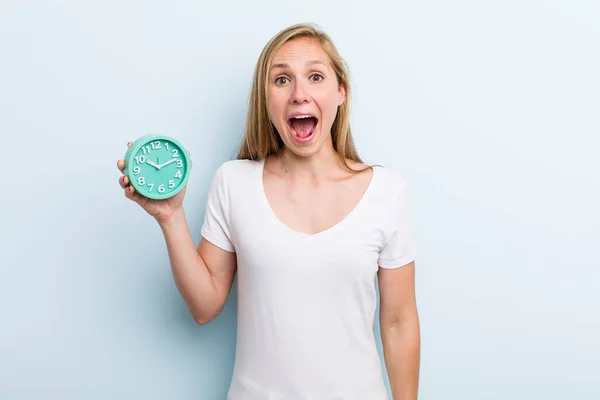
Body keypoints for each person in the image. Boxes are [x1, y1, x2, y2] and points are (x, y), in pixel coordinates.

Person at [117, 23, 420, 400]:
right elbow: (204, 307)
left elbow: (398, 322)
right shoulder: (233, 182)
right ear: (266, 98)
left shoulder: (386, 191)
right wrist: (170, 216)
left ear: (340, 92)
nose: (299, 94)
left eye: (315, 76)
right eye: (281, 80)